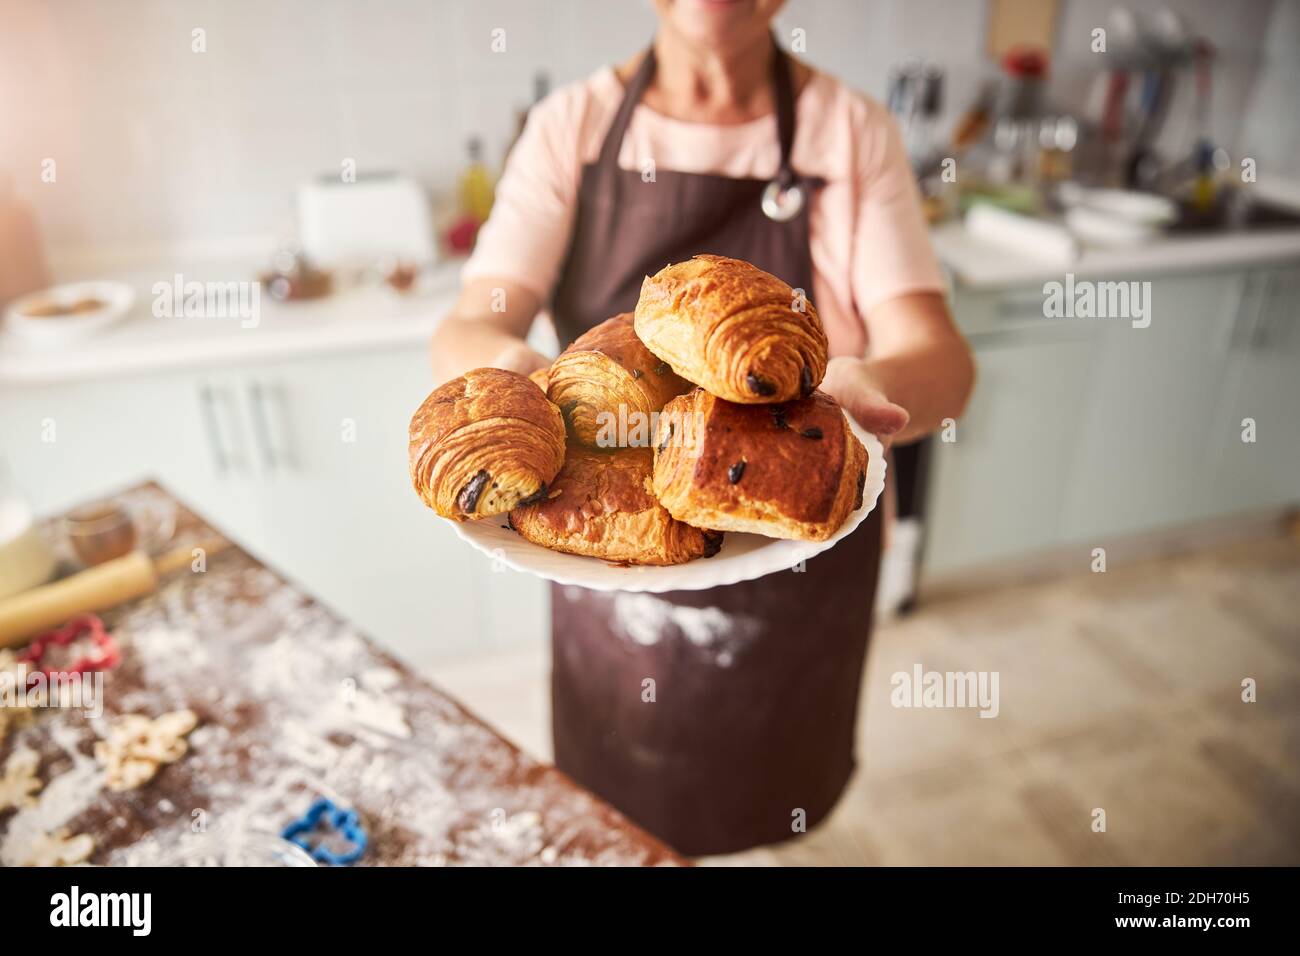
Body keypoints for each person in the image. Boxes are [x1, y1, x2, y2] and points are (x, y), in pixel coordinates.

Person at [431, 0, 975, 855]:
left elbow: (942, 361)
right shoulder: (572, 126)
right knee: (624, 812)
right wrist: (539, 393)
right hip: (615, 555)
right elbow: (468, 327)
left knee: (772, 808)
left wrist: (869, 384)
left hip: (797, 544)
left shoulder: (850, 130)